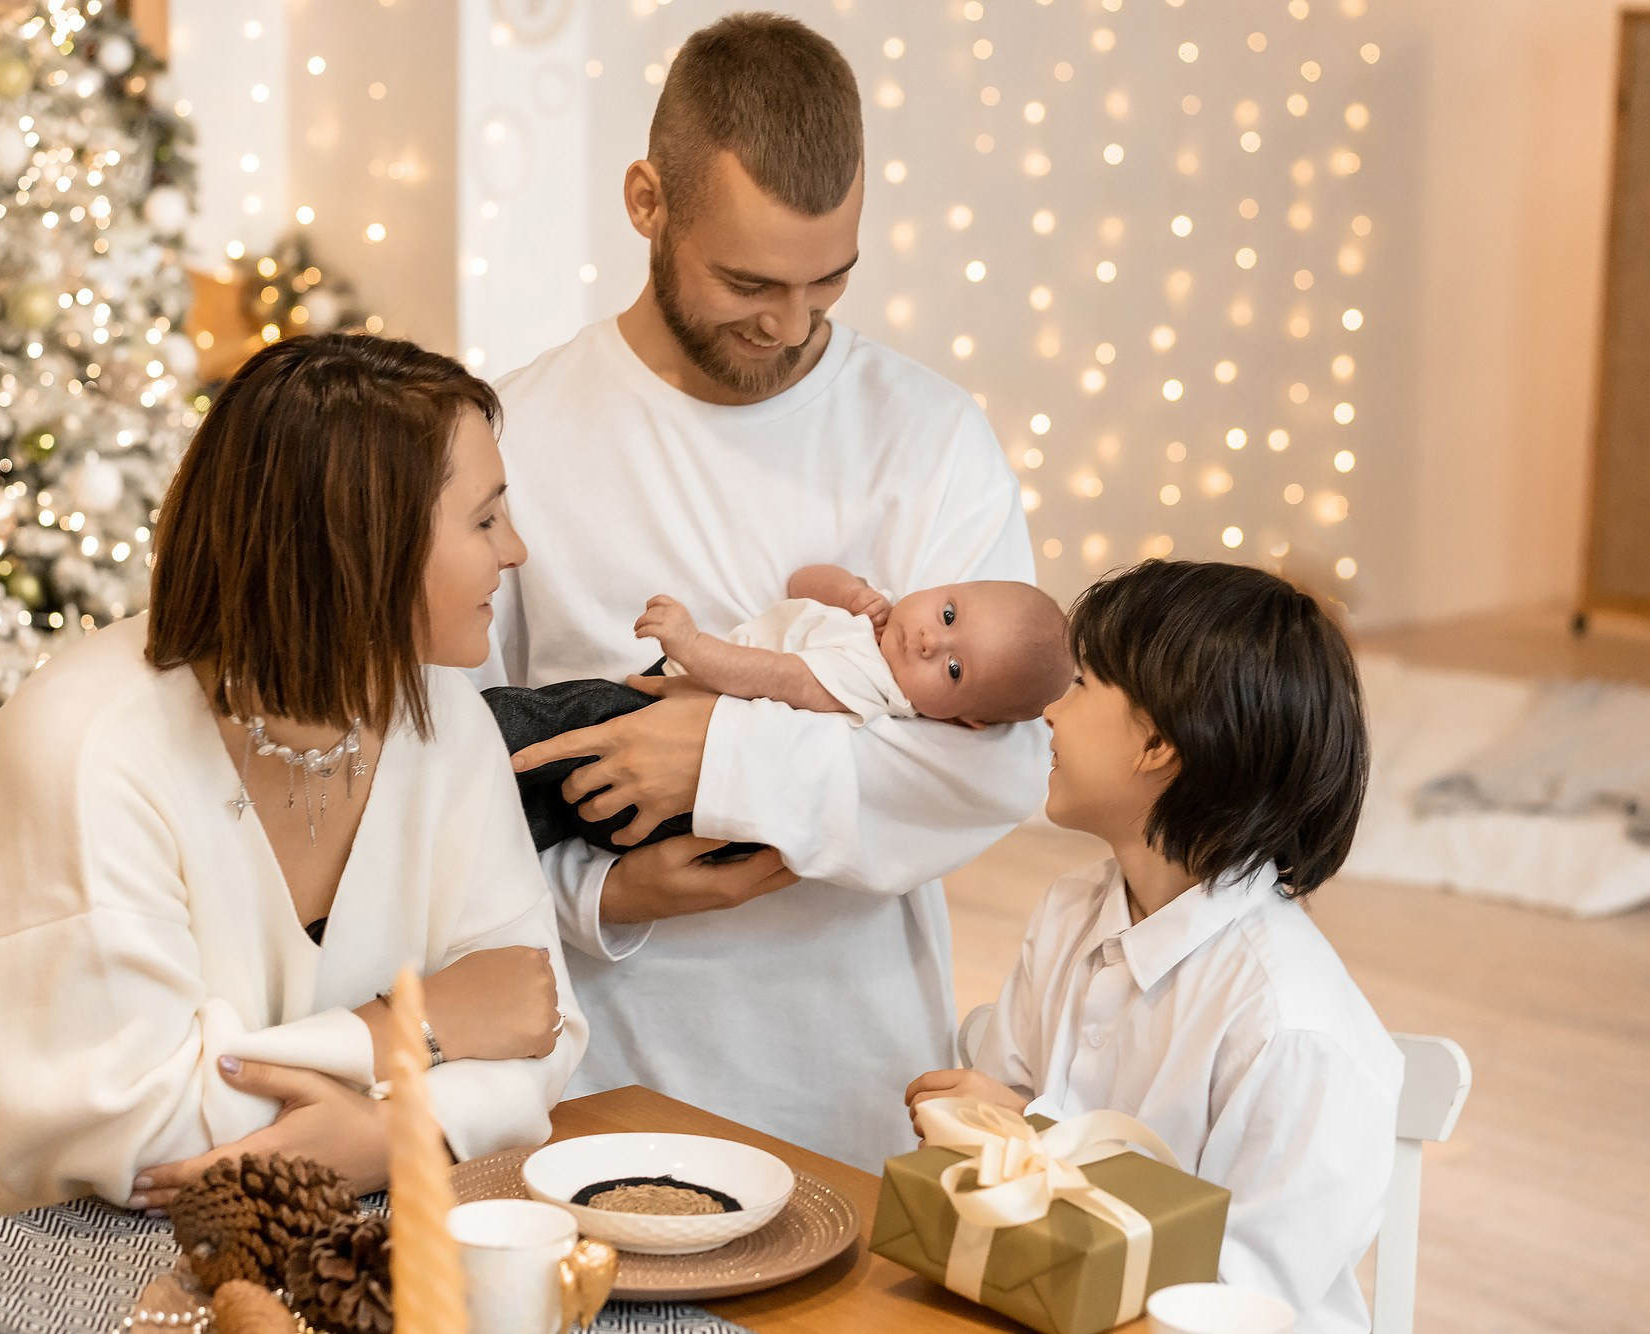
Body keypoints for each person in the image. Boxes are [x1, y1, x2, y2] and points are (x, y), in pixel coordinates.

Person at [0, 334, 586, 1274]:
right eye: (484, 520)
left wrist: (377, 1132)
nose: (514, 550)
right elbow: (135, 1136)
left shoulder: (445, 720)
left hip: (196, 1238)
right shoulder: (88, 747)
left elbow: (537, 1022)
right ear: (360, 550)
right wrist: (408, 1039)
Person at [470, 13, 1049, 1167]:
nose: (788, 325)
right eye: (746, 281)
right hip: (596, 1078)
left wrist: (718, 759)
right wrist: (608, 898)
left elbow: (994, 761)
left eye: (825, 280)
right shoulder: (512, 435)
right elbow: (455, 769)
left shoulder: (927, 437)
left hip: (851, 1084)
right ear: (646, 200)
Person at [905, 561, 1402, 1334]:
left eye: (1079, 685)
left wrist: (1032, 1136)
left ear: (1159, 744)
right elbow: (987, 1148)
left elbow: (1228, 1300)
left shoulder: (1293, 1029)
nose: (1047, 712)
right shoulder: (1071, 911)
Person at [485, 565, 1069, 854]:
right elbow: (801, 580)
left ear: (965, 720)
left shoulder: (864, 681)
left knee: (566, 717)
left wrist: (691, 645)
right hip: (675, 746)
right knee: (552, 808)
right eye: (948, 614)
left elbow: (771, 675)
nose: (929, 642)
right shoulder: (877, 632)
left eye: (954, 670)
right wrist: (850, 592)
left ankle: (466, 736)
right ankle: (486, 823)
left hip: (673, 747)